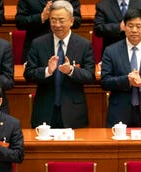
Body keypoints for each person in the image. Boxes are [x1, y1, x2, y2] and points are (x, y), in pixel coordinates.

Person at [24, 0, 95, 129]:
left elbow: (90, 76)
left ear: (72, 21)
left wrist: (71, 70)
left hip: (73, 112)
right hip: (44, 110)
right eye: (53, 20)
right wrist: (47, 71)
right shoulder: (38, 44)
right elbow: (28, 74)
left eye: (61, 20)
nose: (57, 25)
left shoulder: (84, 45)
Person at [16, 0, 82, 64]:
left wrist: (62, 18)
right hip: (36, 50)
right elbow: (19, 22)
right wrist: (41, 17)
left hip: (64, 47)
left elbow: (77, 20)